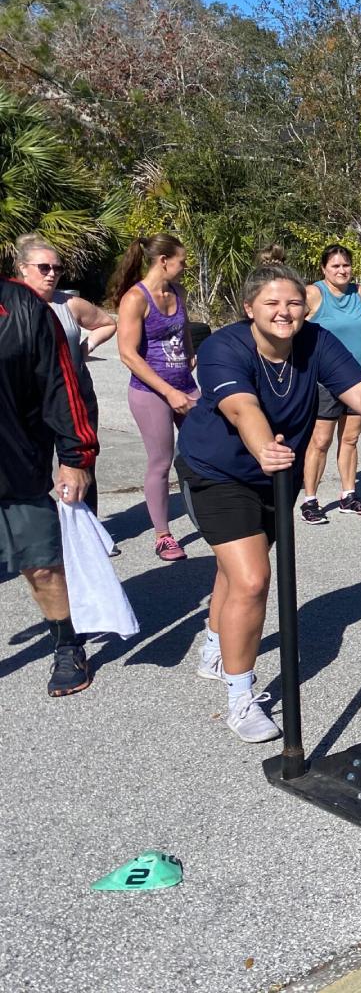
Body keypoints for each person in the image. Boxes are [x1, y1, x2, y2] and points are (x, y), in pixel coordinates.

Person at [176, 264, 361, 742]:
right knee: (252, 577)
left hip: (275, 474)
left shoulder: (316, 342)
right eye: (272, 303)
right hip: (217, 473)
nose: (284, 312)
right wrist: (263, 445)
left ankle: (214, 643)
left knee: (237, 568)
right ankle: (240, 698)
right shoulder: (223, 347)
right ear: (249, 309)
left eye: (292, 304)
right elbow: (242, 406)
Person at [0, 276, 98, 695]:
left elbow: (61, 385)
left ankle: (67, 643)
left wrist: (76, 457)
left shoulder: (24, 308)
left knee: (41, 563)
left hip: (14, 465)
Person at [13, 234, 115, 512]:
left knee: (82, 462)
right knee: (35, 465)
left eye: (57, 268)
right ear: (23, 268)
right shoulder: (11, 308)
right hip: (32, 404)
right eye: (43, 268)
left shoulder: (68, 303)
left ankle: (90, 530)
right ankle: (45, 527)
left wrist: (85, 347)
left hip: (76, 397)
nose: (52, 274)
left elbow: (106, 323)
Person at [113, 233, 198, 561]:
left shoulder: (178, 291)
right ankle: (163, 535)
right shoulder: (135, 299)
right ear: (163, 261)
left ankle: (212, 514)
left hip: (185, 385)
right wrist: (169, 391)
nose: (184, 266)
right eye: (182, 261)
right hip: (152, 393)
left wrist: (190, 354)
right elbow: (127, 355)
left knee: (208, 447)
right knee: (161, 462)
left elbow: (184, 327)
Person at [300, 244, 361, 524]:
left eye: (346, 265)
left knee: (350, 439)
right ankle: (310, 500)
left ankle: (348, 495)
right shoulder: (313, 294)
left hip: (360, 380)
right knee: (321, 440)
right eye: (335, 266)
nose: (342, 270)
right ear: (324, 269)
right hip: (325, 381)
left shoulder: (360, 293)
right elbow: (289, 322)